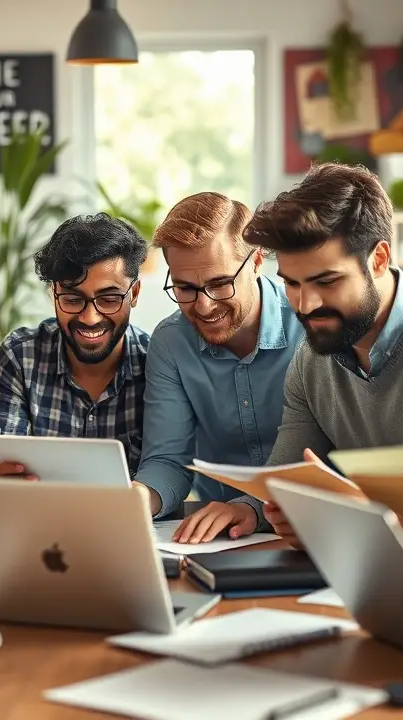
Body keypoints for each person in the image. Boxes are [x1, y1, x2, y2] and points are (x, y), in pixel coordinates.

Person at [241, 163, 403, 546]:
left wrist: (350, 513)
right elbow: (285, 476)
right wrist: (274, 509)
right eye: (291, 283)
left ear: (379, 259)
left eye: (327, 282)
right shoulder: (312, 358)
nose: (305, 304)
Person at [132, 193, 305, 543]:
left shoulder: (310, 326)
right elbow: (168, 459)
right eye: (185, 288)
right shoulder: (171, 343)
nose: (204, 305)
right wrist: (134, 499)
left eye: (219, 283)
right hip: (225, 536)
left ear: (257, 260)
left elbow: (330, 455)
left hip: (313, 527)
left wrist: (253, 506)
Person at [0, 213, 150, 479]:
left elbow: (166, 470)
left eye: (109, 299)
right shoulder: (19, 357)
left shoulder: (156, 365)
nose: (90, 318)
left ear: (133, 294)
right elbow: (4, 469)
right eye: (73, 299)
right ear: (54, 292)